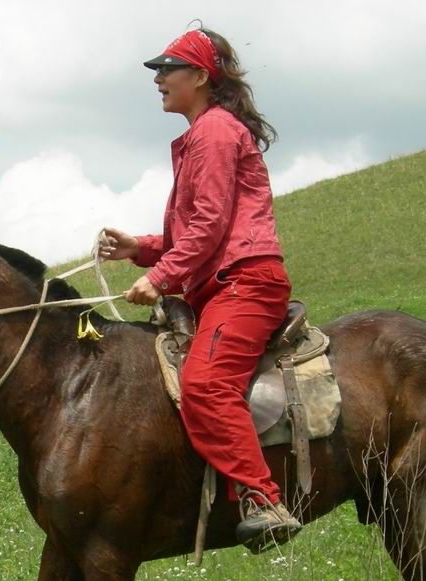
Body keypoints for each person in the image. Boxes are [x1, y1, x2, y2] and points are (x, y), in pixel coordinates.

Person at [99, 27, 302, 553]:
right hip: (222, 284)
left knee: (206, 386)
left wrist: (159, 277)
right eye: (157, 71)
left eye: (168, 69)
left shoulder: (213, 131)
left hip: (246, 283)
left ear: (200, 77)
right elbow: (196, 227)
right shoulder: (201, 135)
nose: (159, 80)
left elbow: (210, 225)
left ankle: (264, 499)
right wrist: (139, 249)